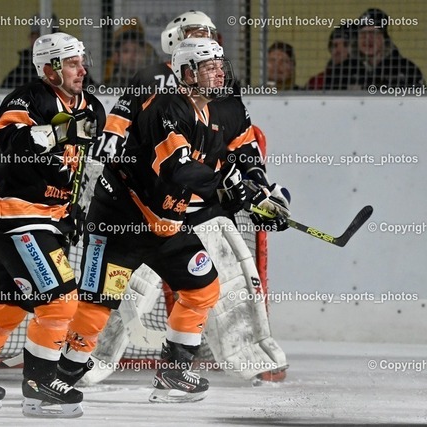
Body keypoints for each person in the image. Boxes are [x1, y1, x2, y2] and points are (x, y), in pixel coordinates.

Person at [71, 10, 290, 388]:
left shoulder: (226, 96)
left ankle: (229, 358)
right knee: (115, 292)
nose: (215, 65)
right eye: (196, 36)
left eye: (211, 38)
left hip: (193, 210)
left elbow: (244, 150)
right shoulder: (160, 92)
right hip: (141, 207)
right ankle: (77, 362)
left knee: (222, 282)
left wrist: (259, 192)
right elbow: (146, 150)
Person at [0, 32, 105, 417]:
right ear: (50, 68)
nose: (82, 69)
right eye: (73, 63)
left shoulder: (91, 106)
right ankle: (40, 386)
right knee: (60, 301)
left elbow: (82, 165)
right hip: (15, 215)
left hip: (48, 218)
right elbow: (11, 141)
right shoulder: (27, 99)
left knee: (9, 304)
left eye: (82, 61)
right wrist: (62, 131)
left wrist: (75, 208)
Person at [337, 8, 423, 89]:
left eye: (374, 33)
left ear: (384, 39)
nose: (368, 38)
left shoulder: (406, 69)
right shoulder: (344, 70)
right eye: (363, 33)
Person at [306, 25, 356, 90]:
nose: (338, 50)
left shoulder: (362, 78)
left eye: (345, 45)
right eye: (335, 45)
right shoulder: (317, 81)